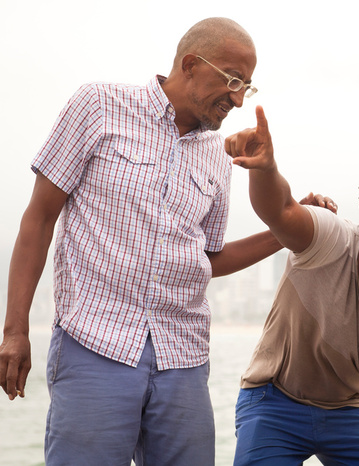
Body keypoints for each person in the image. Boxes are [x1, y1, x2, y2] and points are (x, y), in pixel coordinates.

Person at [0, 17, 336, 466]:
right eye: (233, 81)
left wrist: (290, 227)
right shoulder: (98, 105)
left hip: (184, 355)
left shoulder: (219, 157)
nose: (238, 99)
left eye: (247, 87)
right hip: (94, 343)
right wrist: (15, 330)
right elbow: (39, 220)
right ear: (191, 64)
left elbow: (208, 259)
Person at [225, 105, 359, 465]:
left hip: (350, 409)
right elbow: (279, 210)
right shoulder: (328, 239)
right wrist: (266, 169)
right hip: (273, 397)